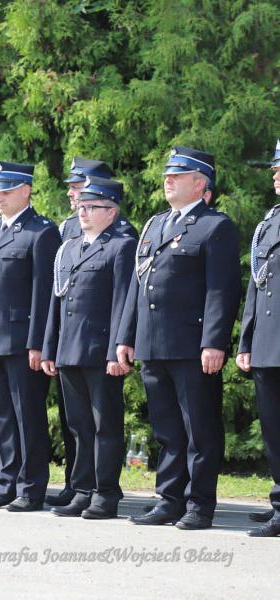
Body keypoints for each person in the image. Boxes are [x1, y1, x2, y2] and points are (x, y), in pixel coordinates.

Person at [117, 146, 241, 530]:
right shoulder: (155, 225)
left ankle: (199, 504)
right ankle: (169, 499)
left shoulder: (214, 227)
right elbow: (139, 285)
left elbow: (221, 290)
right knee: (167, 429)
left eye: (178, 175)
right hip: (154, 343)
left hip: (191, 346)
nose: (168, 180)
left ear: (200, 183)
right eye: (167, 174)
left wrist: (214, 342)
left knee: (199, 430)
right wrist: (127, 336)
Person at [41, 176, 136, 519]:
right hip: (69, 350)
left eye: (92, 207)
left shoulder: (121, 246)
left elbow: (123, 302)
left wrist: (116, 350)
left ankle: (105, 493)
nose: (83, 212)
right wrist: (49, 348)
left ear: (111, 212)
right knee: (79, 426)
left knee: (104, 425)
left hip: (100, 352)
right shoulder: (68, 248)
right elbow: (57, 302)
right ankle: (82, 490)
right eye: (82, 206)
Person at [0, 161, 59, 512]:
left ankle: (31, 487)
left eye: (6, 191)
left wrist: (37, 343)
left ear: (26, 190)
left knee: (27, 417)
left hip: (22, 341)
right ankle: (6, 483)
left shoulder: (41, 232)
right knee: (2, 417)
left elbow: (43, 293)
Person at [236, 139, 280, 537]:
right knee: (273, 429)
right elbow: (256, 284)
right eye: (275, 168)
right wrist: (246, 342)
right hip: (268, 344)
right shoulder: (269, 223)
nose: (275, 175)